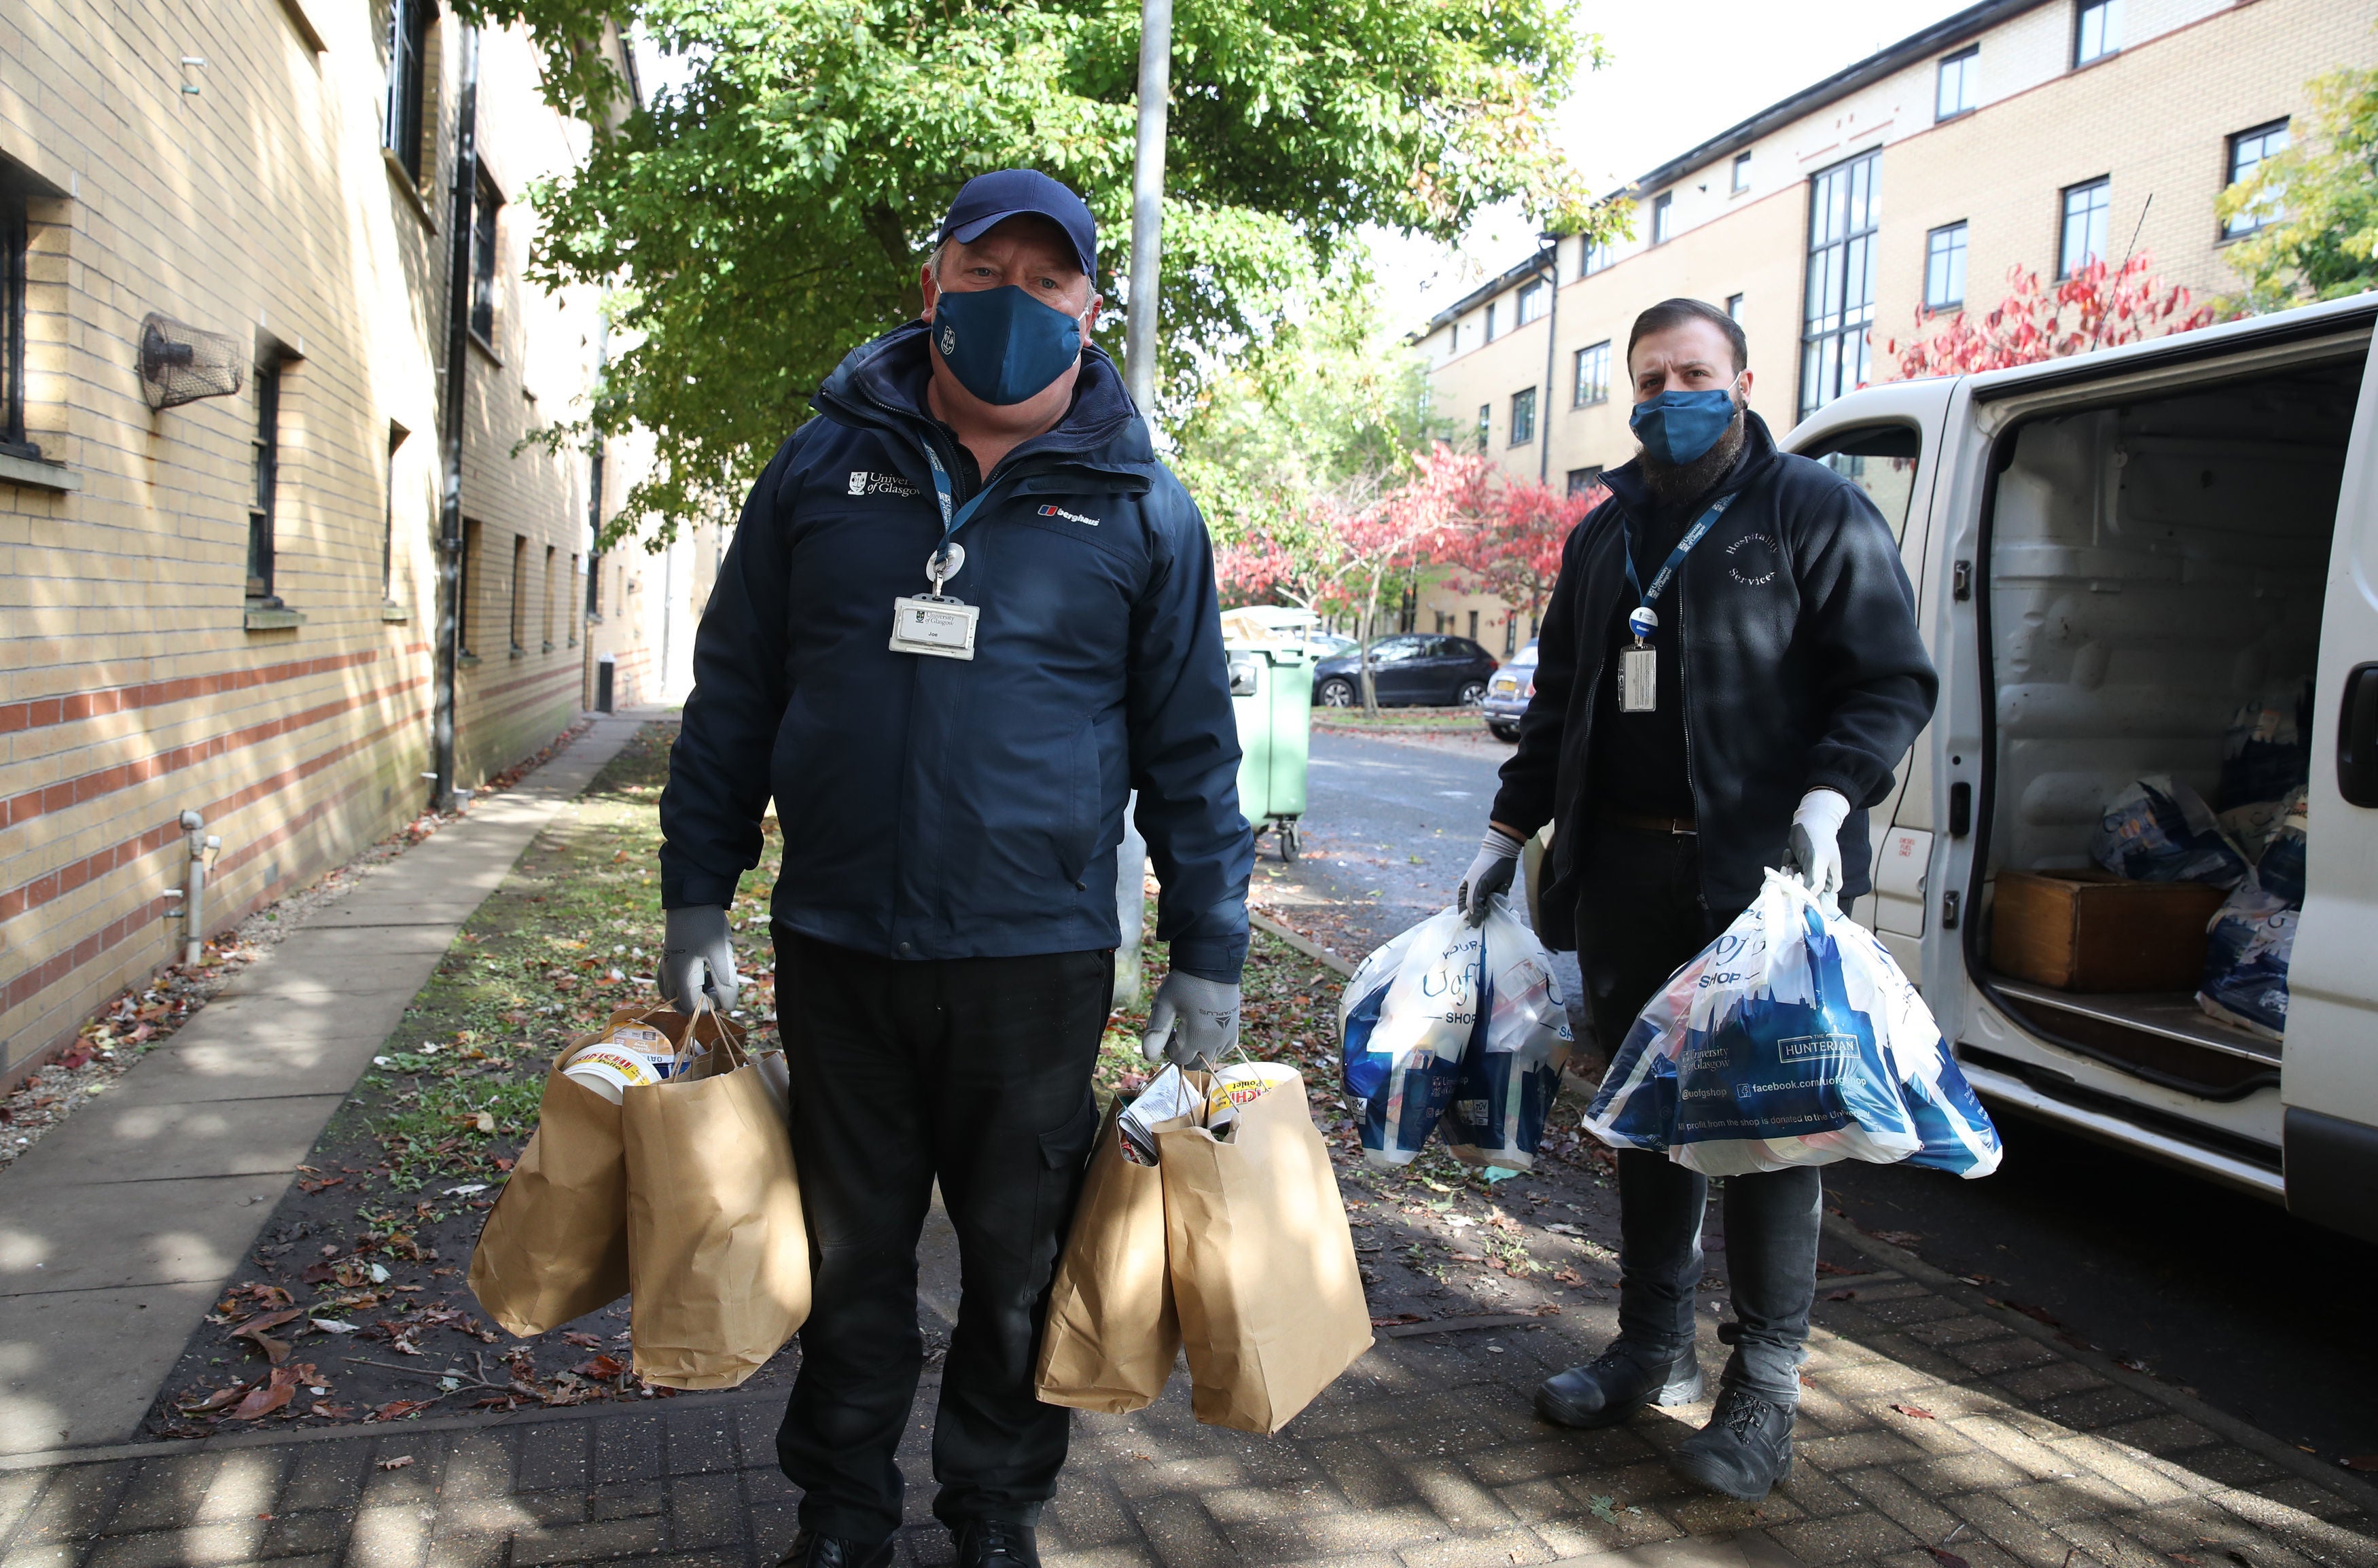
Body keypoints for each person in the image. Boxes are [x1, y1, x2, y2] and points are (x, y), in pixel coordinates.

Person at [655, 169, 1254, 1568]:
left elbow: (1191, 751)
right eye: (983, 272)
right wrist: (698, 889)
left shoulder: (1141, 509)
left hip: (1032, 958)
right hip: (842, 940)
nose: (1012, 302)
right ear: (931, 287)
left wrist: (1208, 948)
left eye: (1046, 282)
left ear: (1089, 311)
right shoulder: (817, 469)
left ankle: (993, 1510)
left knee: (1015, 1266)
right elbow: (734, 689)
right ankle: (843, 1513)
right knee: (850, 1261)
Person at [1457, 298, 1936, 1501]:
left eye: (1695, 373)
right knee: (1649, 1120)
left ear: (1744, 377)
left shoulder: (1813, 511)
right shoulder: (1604, 532)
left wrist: (1832, 797)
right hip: (1622, 876)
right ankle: (1648, 1350)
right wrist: (1508, 833)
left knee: (1774, 1132)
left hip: (1764, 887)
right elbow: (1559, 698)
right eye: (1652, 377)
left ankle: (1763, 1392)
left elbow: (1888, 682)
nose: (1672, 395)